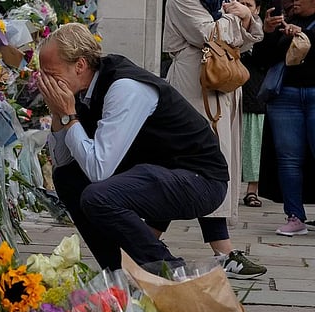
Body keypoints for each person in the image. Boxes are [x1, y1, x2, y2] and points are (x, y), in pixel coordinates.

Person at [37, 22, 253, 278]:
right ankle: (116, 270)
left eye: (51, 73)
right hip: (159, 172)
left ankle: (170, 270)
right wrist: (59, 113)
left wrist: (70, 115)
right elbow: (63, 161)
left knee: (97, 195)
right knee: (67, 178)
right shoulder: (81, 91)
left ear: (80, 65)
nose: (45, 82)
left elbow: (98, 169)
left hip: (200, 180)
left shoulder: (124, 87)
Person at [161, 0, 267, 278]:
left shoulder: (219, 0)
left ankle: (142, 241)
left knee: (202, 167)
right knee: (193, 165)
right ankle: (222, 253)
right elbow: (209, 33)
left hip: (220, 82)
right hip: (194, 85)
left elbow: (245, 42)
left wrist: (244, 18)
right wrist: (239, 17)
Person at [253, 0, 315, 236]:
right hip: (285, 96)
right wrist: (268, 32)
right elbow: (261, 61)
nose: (293, 1)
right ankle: (294, 216)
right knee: (288, 159)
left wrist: (304, 35)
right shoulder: (284, 20)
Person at [240, 0, 266, 207]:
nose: (243, 6)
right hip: (228, 93)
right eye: (240, 2)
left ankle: (252, 190)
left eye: (248, 3)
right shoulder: (224, 25)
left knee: (253, 146)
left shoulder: (264, 32)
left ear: (256, 9)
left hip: (254, 95)